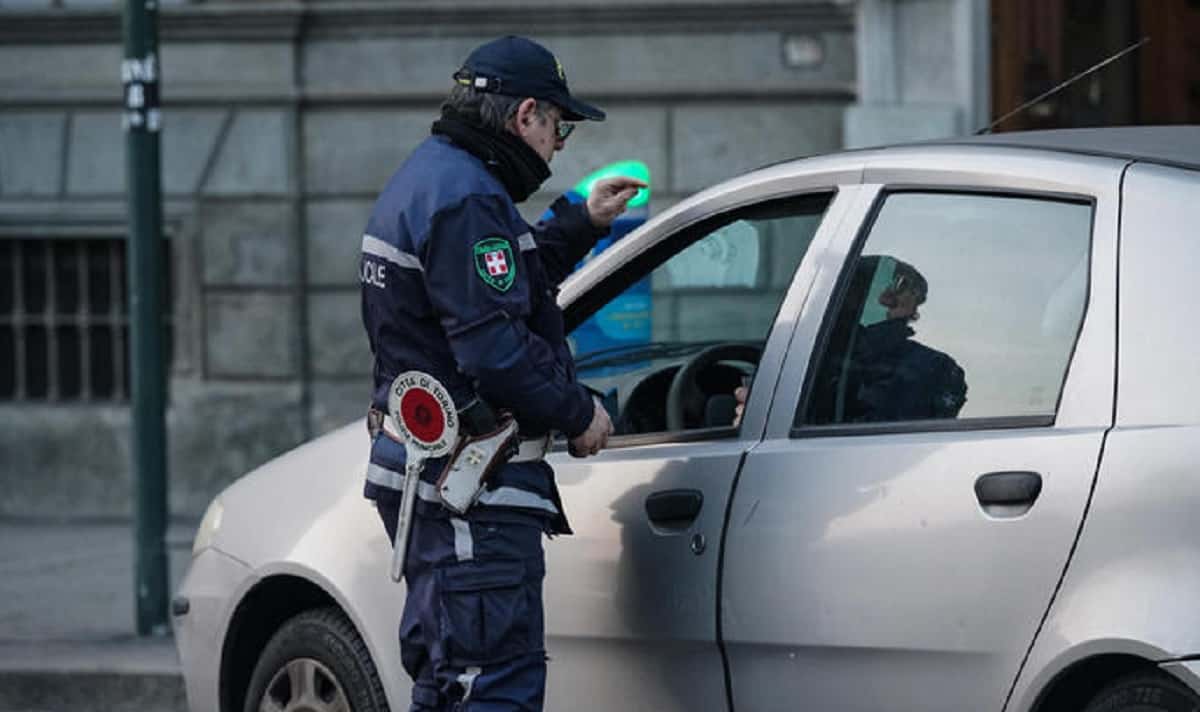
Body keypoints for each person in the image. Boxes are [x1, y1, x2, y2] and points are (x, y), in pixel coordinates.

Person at [359, 36, 644, 711]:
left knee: (450, 683)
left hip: (432, 476)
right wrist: (579, 413)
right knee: (492, 689)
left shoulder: (437, 177)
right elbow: (494, 349)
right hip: (471, 491)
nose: (560, 143)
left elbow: (499, 292)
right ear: (525, 117)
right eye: (558, 124)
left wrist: (579, 222)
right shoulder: (468, 200)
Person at [843, 258, 967, 421]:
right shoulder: (825, 354)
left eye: (901, 285)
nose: (889, 295)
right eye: (898, 283)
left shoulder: (938, 368)